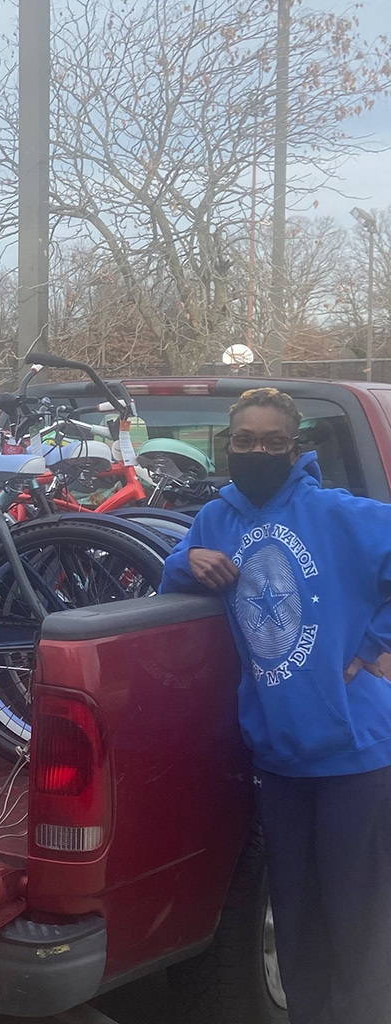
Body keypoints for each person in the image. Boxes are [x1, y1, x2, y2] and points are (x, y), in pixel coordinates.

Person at [160, 387, 391, 1024]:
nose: (258, 451)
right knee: (295, 919)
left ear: (295, 449)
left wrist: (376, 642)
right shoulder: (216, 518)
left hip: (355, 754)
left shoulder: (338, 512)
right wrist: (187, 559)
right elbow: (173, 574)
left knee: (359, 924)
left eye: (273, 442)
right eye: (245, 441)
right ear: (226, 445)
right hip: (278, 755)